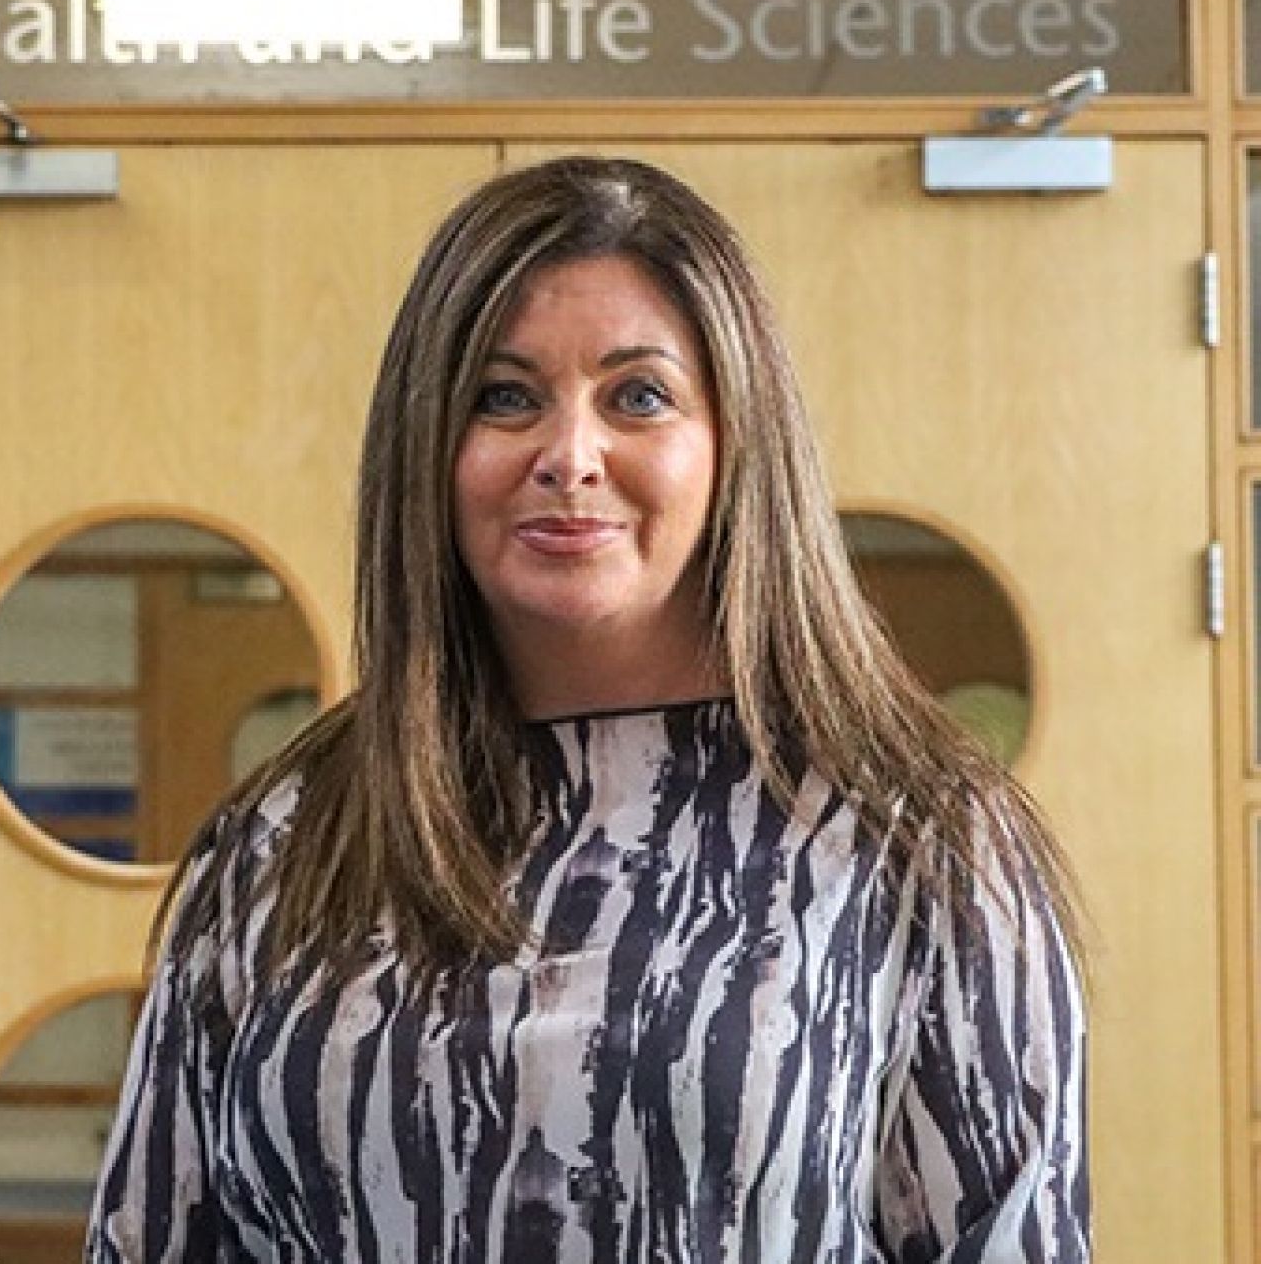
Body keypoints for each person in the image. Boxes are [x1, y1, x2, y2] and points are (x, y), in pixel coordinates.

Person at [86, 155, 1089, 1262]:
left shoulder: (918, 834)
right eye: (505, 398)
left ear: (735, 445)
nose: (570, 457)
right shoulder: (284, 836)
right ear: (428, 445)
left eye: (639, 397)